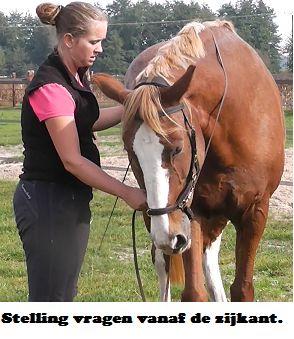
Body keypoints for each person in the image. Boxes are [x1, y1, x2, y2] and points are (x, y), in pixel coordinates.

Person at [13, 2, 147, 302]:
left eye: (102, 41)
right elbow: (72, 160)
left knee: (62, 294)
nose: (99, 49)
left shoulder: (74, 77)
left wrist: (133, 107)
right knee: (52, 301)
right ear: (69, 40)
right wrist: (126, 192)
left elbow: (86, 122)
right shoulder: (52, 87)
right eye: (94, 41)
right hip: (48, 204)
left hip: (65, 200)